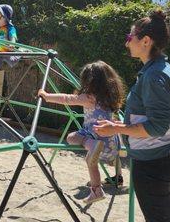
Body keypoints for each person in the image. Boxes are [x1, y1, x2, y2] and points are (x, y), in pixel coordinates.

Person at [94, 9, 170, 222]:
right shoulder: (159, 70)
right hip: (163, 157)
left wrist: (115, 128)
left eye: (129, 36)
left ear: (146, 41)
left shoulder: (155, 76)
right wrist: (121, 123)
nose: (126, 41)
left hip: (153, 162)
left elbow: (156, 126)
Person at [38, 60, 125, 204]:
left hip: (95, 137)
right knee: (92, 161)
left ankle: (90, 145)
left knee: (72, 137)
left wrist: (46, 96)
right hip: (113, 145)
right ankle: (102, 186)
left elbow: (67, 98)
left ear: (89, 82)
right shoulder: (110, 99)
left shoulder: (89, 98)